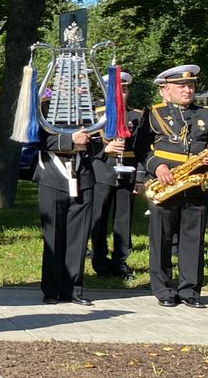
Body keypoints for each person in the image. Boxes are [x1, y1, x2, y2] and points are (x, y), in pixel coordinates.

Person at [132, 64, 208, 308]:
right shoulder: (153, 113)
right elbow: (139, 148)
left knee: (193, 238)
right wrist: (158, 167)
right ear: (165, 90)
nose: (187, 90)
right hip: (166, 182)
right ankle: (163, 289)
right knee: (162, 236)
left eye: (191, 85)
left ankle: (191, 290)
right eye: (181, 86)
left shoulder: (207, 114)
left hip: (195, 183)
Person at [34, 93, 99, 305]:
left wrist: (91, 144)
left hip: (83, 175)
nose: (79, 85)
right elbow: (36, 138)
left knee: (78, 237)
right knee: (53, 235)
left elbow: (101, 141)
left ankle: (73, 289)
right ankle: (51, 290)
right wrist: (70, 140)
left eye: (82, 78)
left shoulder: (91, 107)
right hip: (53, 174)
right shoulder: (44, 107)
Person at [90, 72, 139, 278]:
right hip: (102, 171)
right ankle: (100, 262)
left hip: (128, 172)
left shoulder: (137, 116)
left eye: (125, 89)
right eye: (118, 90)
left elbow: (144, 149)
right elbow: (85, 146)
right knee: (99, 219)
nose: (123, 94)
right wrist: (105, 150)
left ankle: (121, 262)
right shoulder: (95, 115)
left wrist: (142, 177)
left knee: (123, 218)